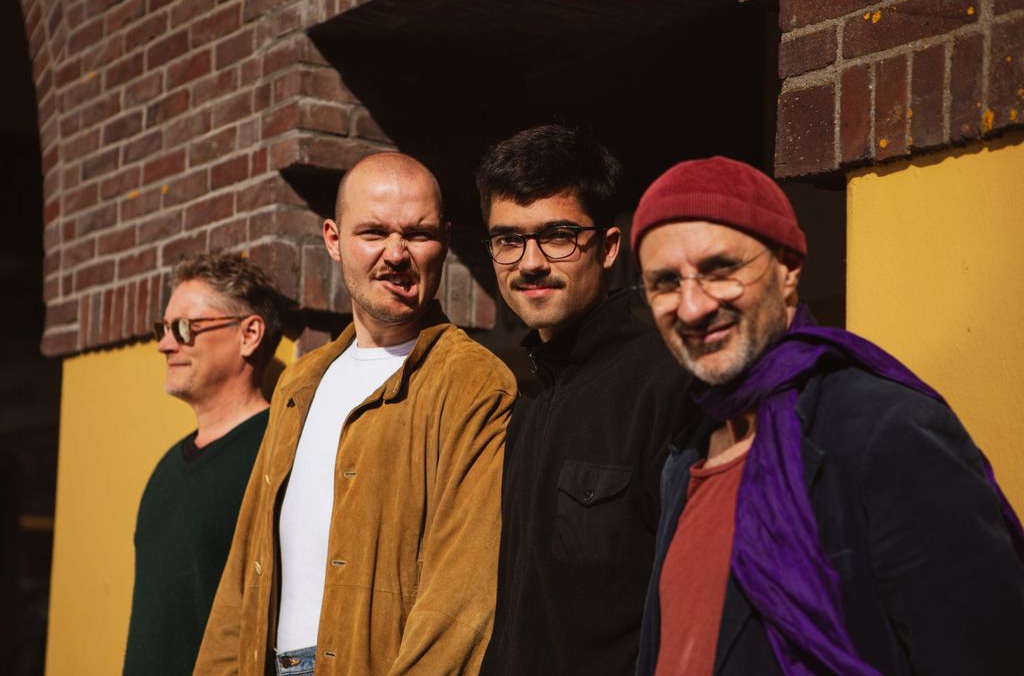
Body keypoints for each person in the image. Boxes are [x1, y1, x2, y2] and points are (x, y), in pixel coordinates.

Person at [631, 156, 1024, 675]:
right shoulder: (685, 457)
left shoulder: (886, 431)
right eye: (665, 282)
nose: (692, 307)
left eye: (720, 271)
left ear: (788, 269)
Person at [194, 152, 516, 676]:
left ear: (445, 241)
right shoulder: (299, 383)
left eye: (418, 234)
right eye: (373, 232)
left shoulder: (473, 383)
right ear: (333, 239)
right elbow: (244, 572)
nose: (396, 253)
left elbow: (463, 598)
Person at [475, 125, 695, 675]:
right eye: (508, 240)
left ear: (609, 247)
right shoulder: (526, 397)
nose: (530, 262)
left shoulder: (668, 386)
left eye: (558, 235)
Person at [124, 251, 284, 676]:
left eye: (184, 328)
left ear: (249, 334)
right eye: (163, 329)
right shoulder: (166, 469)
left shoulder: (278, 456)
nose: (164, 344)